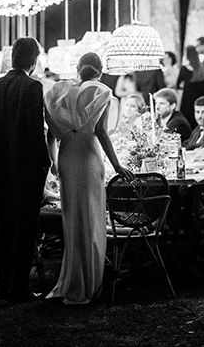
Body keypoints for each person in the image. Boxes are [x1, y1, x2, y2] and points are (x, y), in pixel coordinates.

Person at [45, 52, 133, 306]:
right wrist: (116, 164)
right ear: (100, 71)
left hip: (67, 156)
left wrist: (53, 160)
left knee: (72, 218)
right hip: (89, 156)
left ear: (78, 68)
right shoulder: (101, 93)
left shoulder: (56, 94)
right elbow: (102, 133)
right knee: (92, 217)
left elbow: (50, 135)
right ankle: (90, 282)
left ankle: (73, 279)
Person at [0, 37, 50, 303]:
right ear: (33, 61)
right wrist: (45, 162)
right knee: (24, 231)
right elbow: (35, 131)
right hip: (24, 171)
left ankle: (3, 285)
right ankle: (20, 288)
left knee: (3, 230)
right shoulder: (32, 87)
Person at [178, 45, 204, 128]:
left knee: (187, 115)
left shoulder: (184, 68)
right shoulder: (202, 67)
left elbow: (178, 84)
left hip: (187, 96)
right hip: (198, 95)